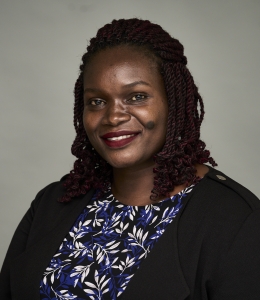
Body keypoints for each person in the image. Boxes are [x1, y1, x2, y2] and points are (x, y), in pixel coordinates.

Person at [0, 18, 259, 300]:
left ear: (174, 101)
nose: (113, 117)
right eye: (97, 101)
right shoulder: (51, 204)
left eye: (136, 96)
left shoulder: (237, 222)